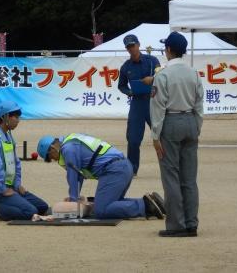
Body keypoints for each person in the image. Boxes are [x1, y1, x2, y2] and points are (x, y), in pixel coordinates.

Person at [37, 133, 165, 220]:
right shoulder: (71, 142)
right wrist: (75, 197)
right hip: (122, 167)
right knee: (112, 204)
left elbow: (73, 175)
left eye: (50, 158)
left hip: (113, 170)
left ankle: (146, 206)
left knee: (101, 210)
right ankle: (149, 201)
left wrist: (73, 200)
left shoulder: (68, 150)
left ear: (52, 148)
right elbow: (79, 176)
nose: (53, 160)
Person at [150, 31, 204, 237]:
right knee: (189, 177)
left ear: (169, 50)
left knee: (171, 175)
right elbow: (199, 104)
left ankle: (176, 225)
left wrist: (155, 136)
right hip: (190, 120)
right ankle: (192, 223)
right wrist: (196, 125)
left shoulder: (162, 75)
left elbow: (157, 107)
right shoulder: (193, 73)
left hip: (170, 122)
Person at [0, 101, 49, 221]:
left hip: (11, 186)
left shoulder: (8, 136)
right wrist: (3, 189)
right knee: (30, 211)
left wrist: (17, 185)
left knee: (42, 207)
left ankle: (9, 202)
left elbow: (16, 163)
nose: (18, 120)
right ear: (5, 117)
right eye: (15, 117)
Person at [118, 34, 160, 177]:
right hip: (137, 103)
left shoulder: (152, 61)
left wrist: (153, 78)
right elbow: (121, 86)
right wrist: (129, 92)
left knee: (162, 135)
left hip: (153, 101)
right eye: (128, 47)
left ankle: (169, 166)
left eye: (133, 45)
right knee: (133, 139)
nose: (131, 49)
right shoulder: (125, 67)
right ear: (126, 49)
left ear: (138, 44)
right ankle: (132, 169)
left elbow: (164, 77)